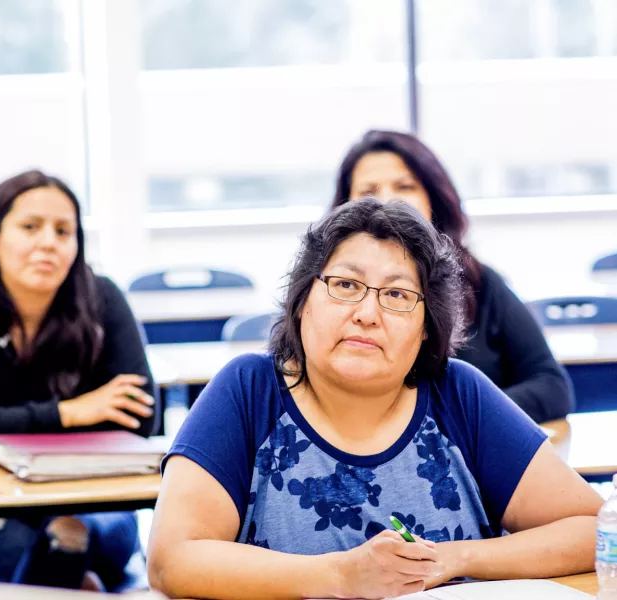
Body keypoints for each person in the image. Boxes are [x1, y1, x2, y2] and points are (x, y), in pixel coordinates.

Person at [147, 199, 600, 600]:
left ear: (427, 329)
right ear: (302, 301)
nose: (367, 314)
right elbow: (173, 560)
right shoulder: (248, 391)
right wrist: (341, 575)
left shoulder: (458, 394)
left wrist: (451, 559)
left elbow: (592, 529)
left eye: (398, 295)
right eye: (345, 285)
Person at [0, 170, 156, 591]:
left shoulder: (102, 299)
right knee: (1, 543)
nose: (48, 241)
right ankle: (79, 584)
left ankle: (77, 576)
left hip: (95, 504)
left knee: (67, 532)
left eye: (63, 231)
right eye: (30, 227)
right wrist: (72, 413)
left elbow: (138, 419)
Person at [331, 129, 572, 423]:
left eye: (404, 186)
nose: (387, 201)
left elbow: (552, 386)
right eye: (368, 191)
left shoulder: (480, 282)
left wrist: (463, 419)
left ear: (433, 197)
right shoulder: (326, 295)